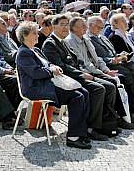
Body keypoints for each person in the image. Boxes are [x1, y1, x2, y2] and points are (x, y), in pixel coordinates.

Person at [15, 20, 91, 149]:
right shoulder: (23, 53)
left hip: (46, 84)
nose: (38, 35)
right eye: (34, 33)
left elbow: (47, 64)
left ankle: (81, 131)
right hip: (35, 88)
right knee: (77, 97)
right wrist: (51, 70)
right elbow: (35, 73)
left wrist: (53, 66)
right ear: (25, 36)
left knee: (84, 92)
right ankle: (73, 137)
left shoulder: (36, 50)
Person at [43, 14, 119, 140]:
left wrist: (87, 71)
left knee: (110, 86)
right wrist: (82, 74)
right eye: (62, 24)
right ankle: (91, 127)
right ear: (53, 26)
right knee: (98, 89)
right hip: (66, 79)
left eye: (67, 24)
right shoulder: (50, 44)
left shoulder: (62, 41)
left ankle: (106, 124)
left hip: (76, 74)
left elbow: (76, 61)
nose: (65, 28)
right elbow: (62, 67)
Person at [64, 16, 134, 130]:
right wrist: (102, 73)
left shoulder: (85, 39)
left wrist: (106, 70)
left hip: (93, 70)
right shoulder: (70, 41)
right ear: (73, 28)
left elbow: (97, 59)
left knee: (116, 80)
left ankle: (117, 118)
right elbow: (83, 64)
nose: (85, 27)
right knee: (108, 86)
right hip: (85, 72)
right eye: (82, 25)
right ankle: (103, 123)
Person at [86, 16, 134, 122]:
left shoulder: (102, 37)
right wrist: (112, 60)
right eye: (98, 27)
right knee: (130, 77)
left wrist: (120, 56)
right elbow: (96, 58)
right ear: (90, 26)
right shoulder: (88, 39)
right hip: (109, 65)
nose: (100, 30)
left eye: (102, 27)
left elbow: (113, 52)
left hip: (118, 62)